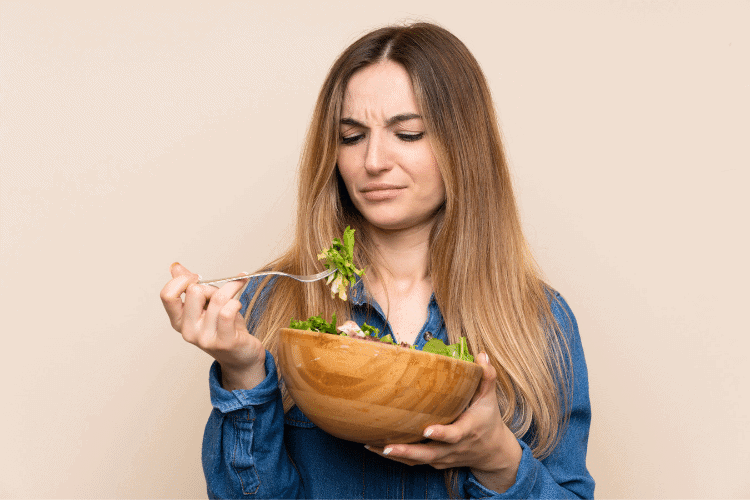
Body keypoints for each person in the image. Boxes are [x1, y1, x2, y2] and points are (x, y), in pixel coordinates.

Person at [161, 22, 594, 499]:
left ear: (463, 147)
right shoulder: (273, 305)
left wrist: (496, 457)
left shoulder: (538, 322)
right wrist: (242, 371)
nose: (372, 161)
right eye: (351, 136)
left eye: (407, 134)